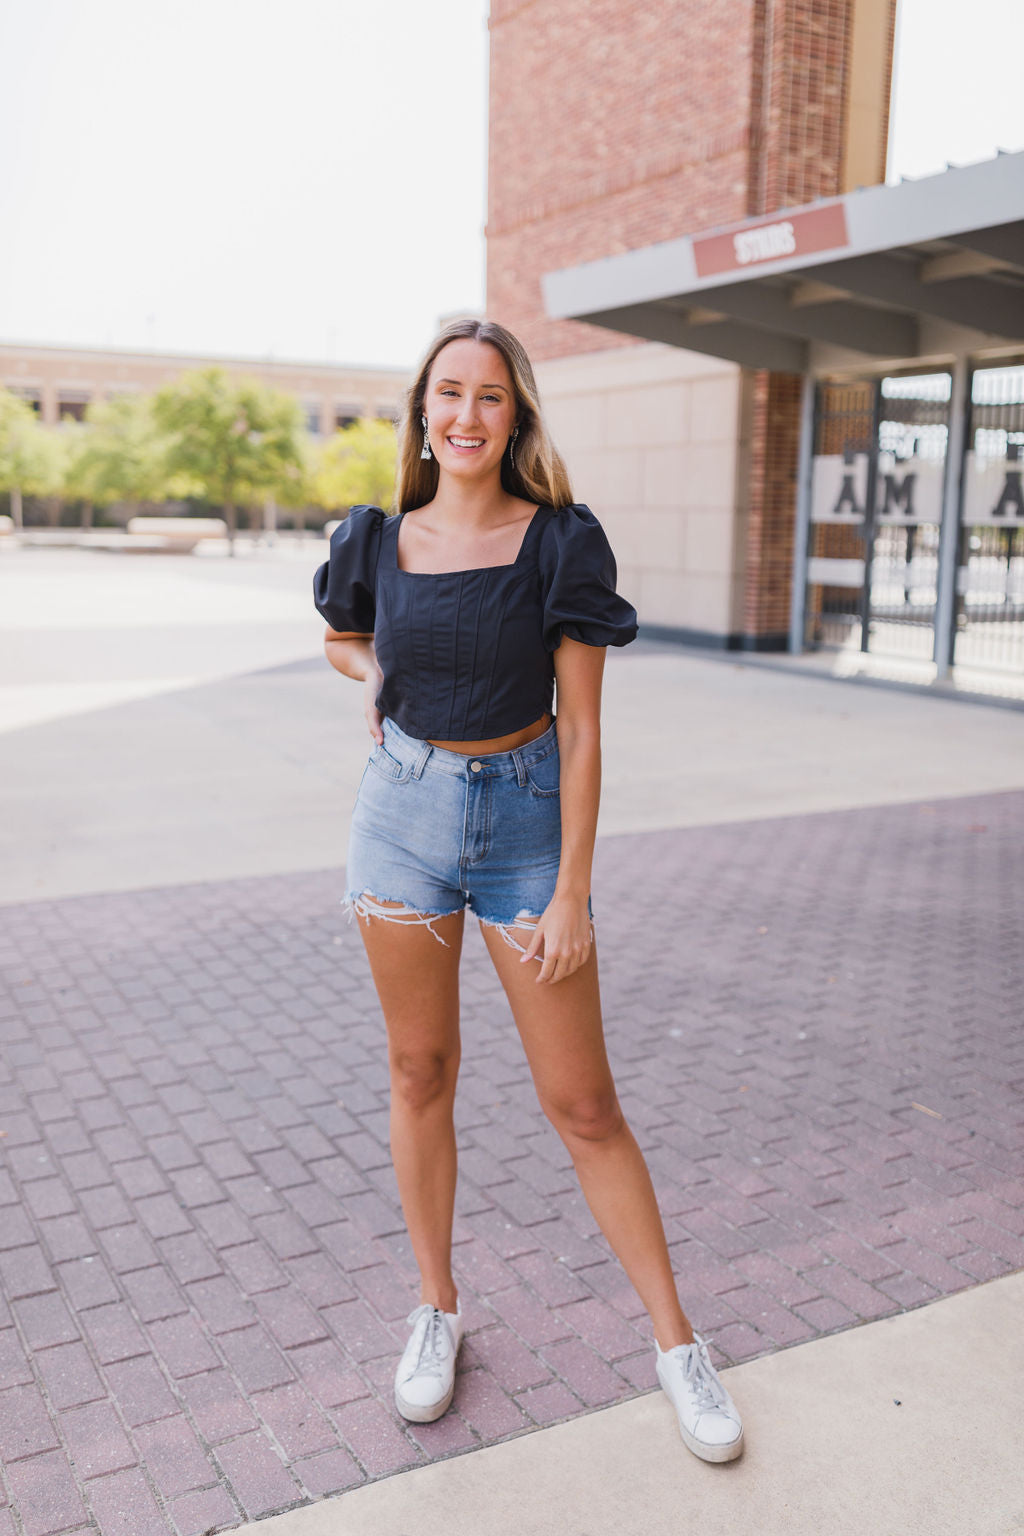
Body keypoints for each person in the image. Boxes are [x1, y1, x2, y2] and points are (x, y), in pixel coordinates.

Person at [312, 318, 744, 1464]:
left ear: (517, 416)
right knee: (419, 1072)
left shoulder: (560, 541)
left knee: (583, 1104)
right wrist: (373, 671)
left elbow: (587, 732)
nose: (464, 415)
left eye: (488, 397)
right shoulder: (374, 537)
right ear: (421, 413)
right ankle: (436, 1311)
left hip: (525, 831)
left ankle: (676, 1345)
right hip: (397, 820)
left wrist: (570, 893)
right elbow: (340, 637)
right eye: (446, 394)